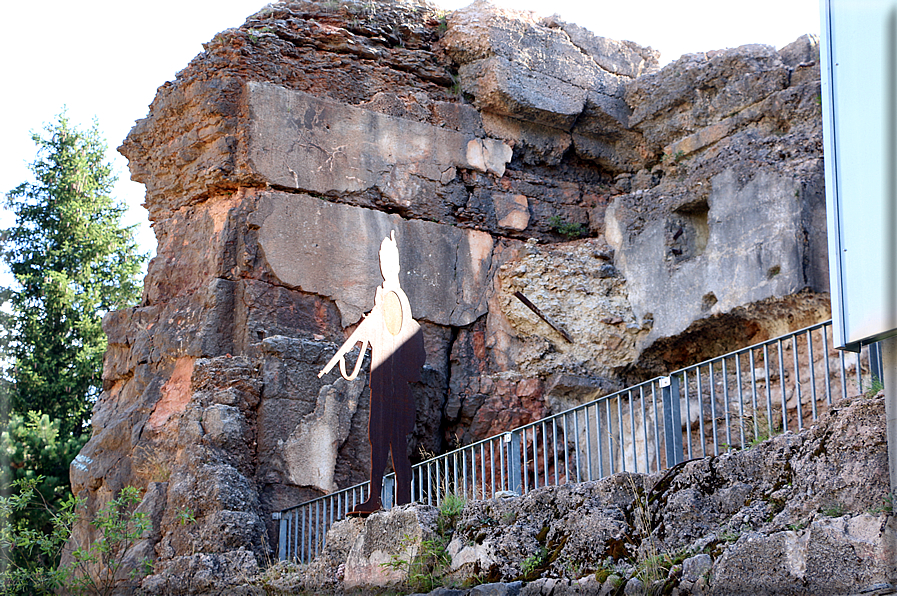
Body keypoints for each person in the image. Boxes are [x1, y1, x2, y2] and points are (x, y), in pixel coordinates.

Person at [318, 231, 426, 515]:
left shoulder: (394, 296)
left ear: (397, 264)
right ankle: (375, 498)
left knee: (395, 447)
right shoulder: (386, 298)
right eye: (382, 259)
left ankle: (401, 499)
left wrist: (378, 317)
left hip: (393, 386)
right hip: (382, 383)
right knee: (379, 443)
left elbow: (394, 332)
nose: (384, 264)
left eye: (389, 259)